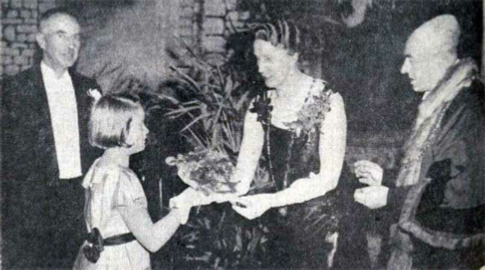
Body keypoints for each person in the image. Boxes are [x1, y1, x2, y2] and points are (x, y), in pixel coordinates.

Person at [353, 14, 485, 269]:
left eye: (410, 60)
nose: (403, 69)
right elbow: (430, 171)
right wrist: (386, 177)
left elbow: (455, 196)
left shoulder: (469, 110)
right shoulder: (442, 101)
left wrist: (389, 197)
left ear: (436, 60)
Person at [230, 20, 347, 269]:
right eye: (257, 58)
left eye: (269, 59)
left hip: (325, 231)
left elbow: (329, 179)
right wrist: (195, 194)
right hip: (283, 229)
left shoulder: (328, 100)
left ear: (293, 55)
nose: (261, 68)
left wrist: (268, 201)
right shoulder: (259, 105)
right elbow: (241, 177)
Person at [1, 8, 103, 268]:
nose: (71, 45)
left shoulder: (89, 88)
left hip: (77, 203)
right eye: (61, 35)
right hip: (29, 208)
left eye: (76, 37)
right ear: (41, 40)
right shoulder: (13, 90)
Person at [73, 94, 204, 269]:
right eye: (140, 124)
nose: (146, 131)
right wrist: (187, 200)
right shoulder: (123, 179)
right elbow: (153, 240)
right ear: (122, 131)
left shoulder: (98, 166)